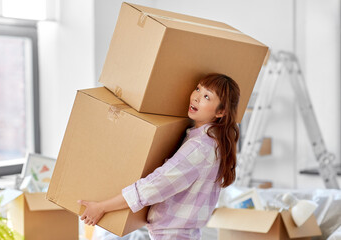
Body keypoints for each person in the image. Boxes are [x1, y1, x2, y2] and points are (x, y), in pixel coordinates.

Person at [77, 73, 240, 240]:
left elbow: (154, 186)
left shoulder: (199, 148)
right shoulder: (213, 141)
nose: (197, 97)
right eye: (198, 88)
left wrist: (102, 207)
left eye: (206, 96)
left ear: (221, 112)